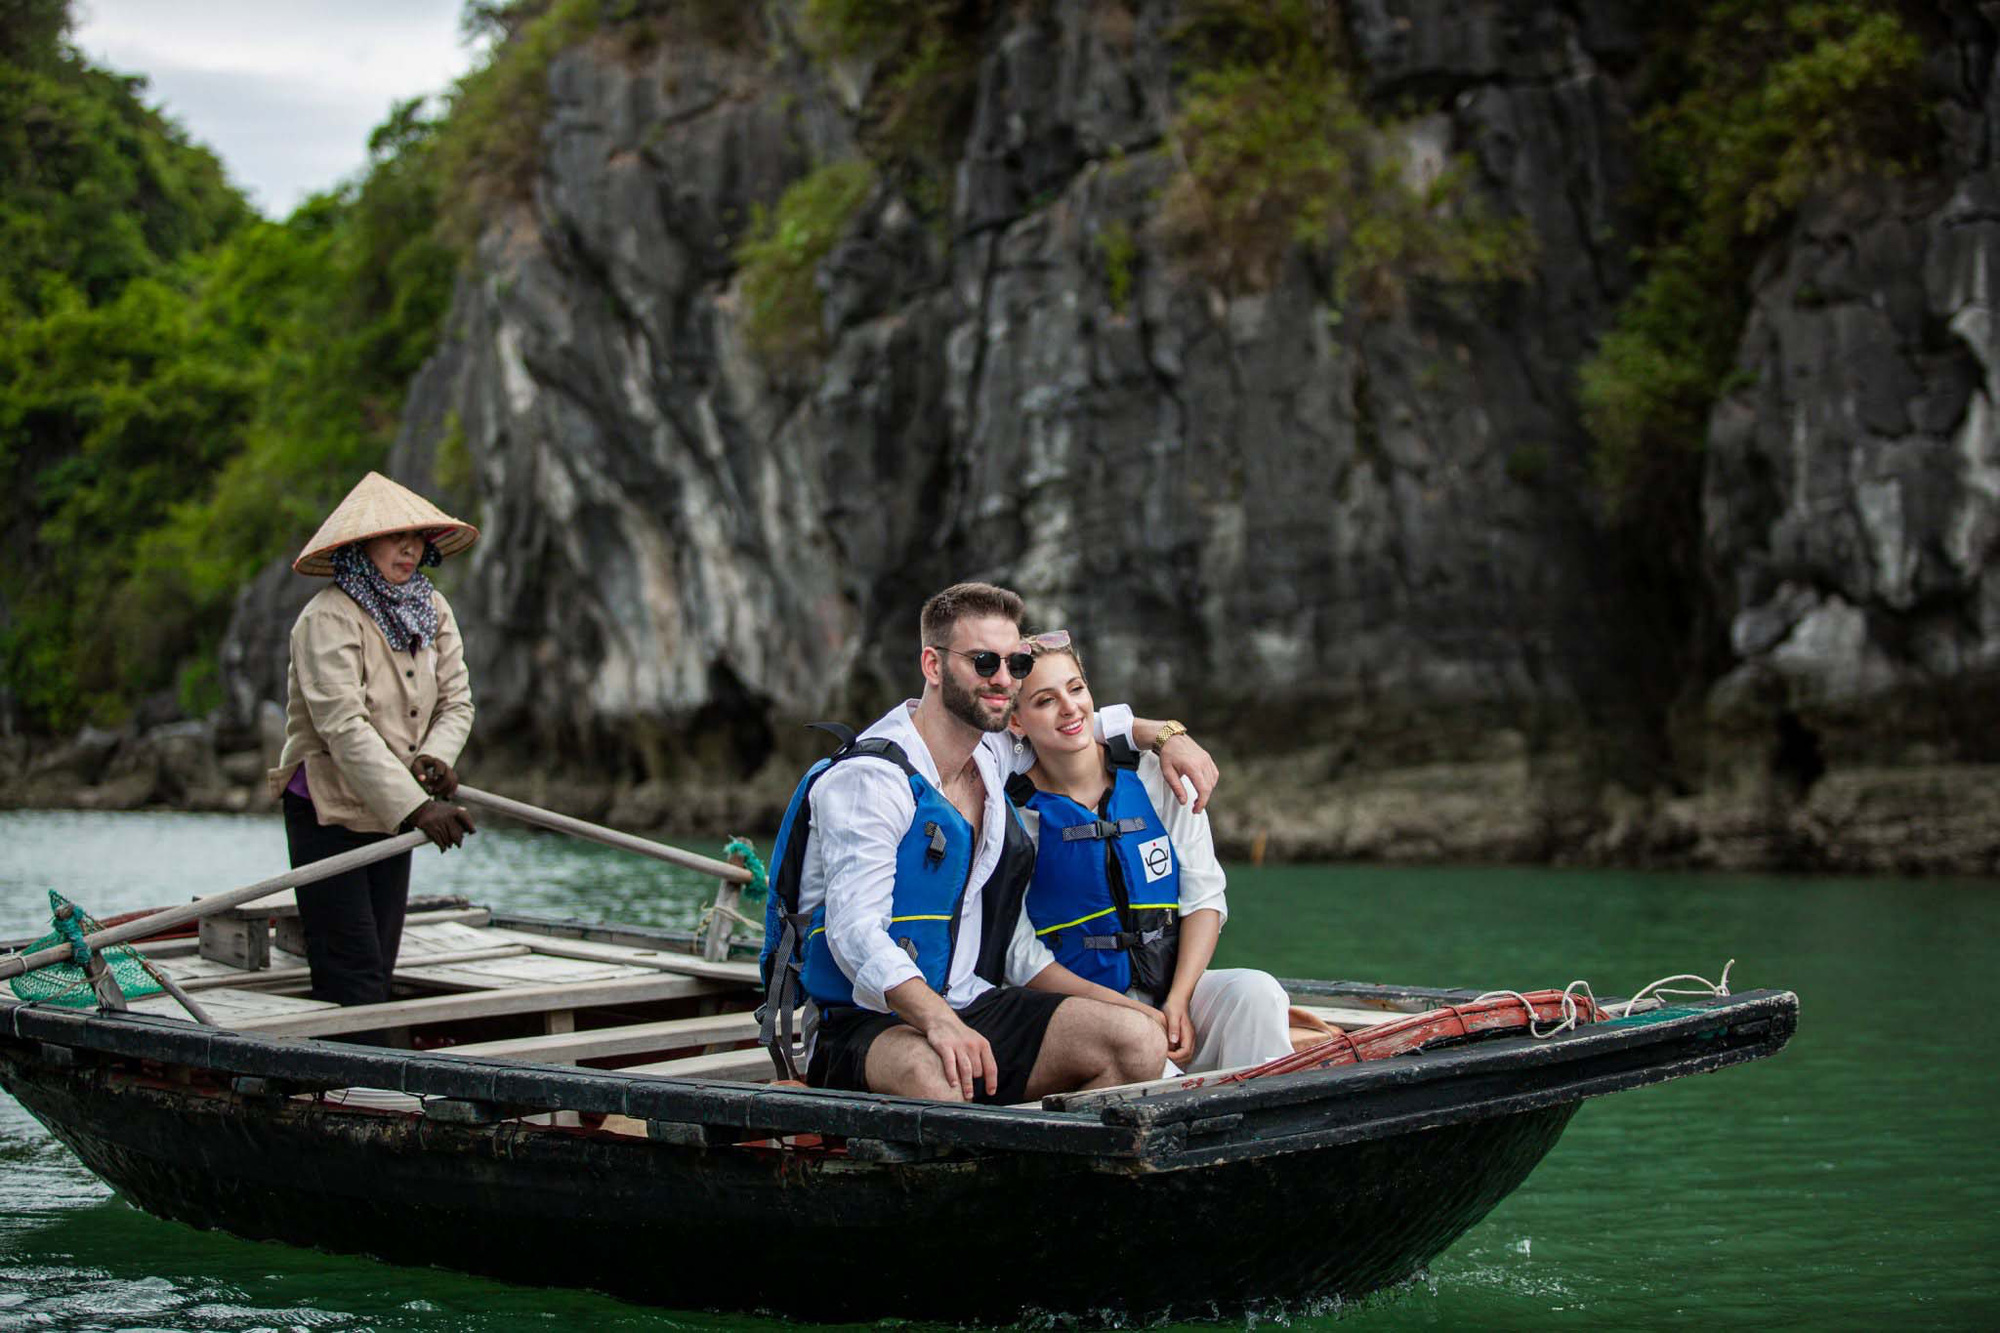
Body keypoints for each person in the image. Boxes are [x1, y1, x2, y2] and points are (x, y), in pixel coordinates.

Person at [780, 582, 1220, 1104]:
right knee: (940, 1080)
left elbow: (1072, 723)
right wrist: (939, 1022)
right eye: (984, 662)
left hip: (969, 1002)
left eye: (1014, 664)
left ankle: (1041, 1168)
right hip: (861, 1021)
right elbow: (855, 934)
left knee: (1138, 1042)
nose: (1003, 679)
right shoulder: (871, 782)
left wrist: (1168, 735)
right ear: (933, 665)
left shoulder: (991, 754)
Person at [1003, 630, 1297, 1073]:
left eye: (1077, 689)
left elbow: (1203, 896)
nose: (1069, 708)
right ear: (1016, 722)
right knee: (1143, 1053)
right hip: (1081, 1011)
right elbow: (1018, 954)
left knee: (1256, 993)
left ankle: (1272, 1128)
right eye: (1044, 701)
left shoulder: (1158, 773)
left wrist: (1178, 1000)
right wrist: (1132, 1014)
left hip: (1168, 990)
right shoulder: (1011, 814)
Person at [265, 471, 479, 1016]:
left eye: (417, 538)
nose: (409, 549)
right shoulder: (326, 617)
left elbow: (457, 702)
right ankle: (349, 1090)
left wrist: (436, 759)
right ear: (361, 546)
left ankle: (365, 1085)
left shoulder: (433, 609)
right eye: (393, 537)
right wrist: (419, 807)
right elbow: (343, 727)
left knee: (379, 965)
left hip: (392, 811)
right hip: (328, 808)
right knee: (352, 971)